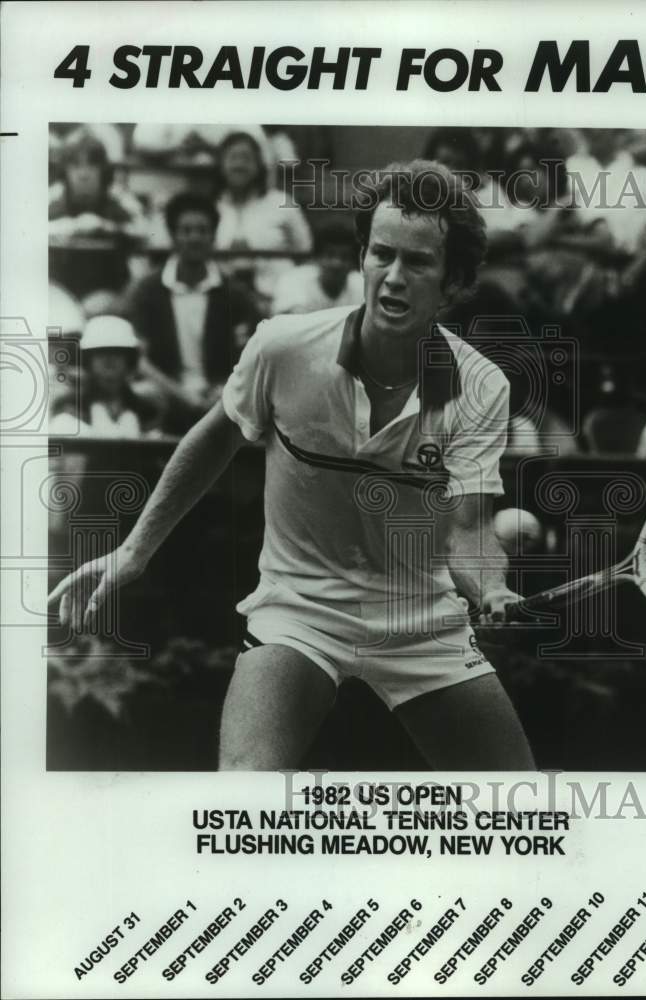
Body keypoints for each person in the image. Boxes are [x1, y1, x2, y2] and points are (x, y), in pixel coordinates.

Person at [49, 159, 536, 772]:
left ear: (454, 281)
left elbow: (467, 525)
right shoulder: (283, 348)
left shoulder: (480, 386)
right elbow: (215, 438)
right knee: (245, 789)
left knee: (516, 804)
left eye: (418, 262)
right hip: (299, 612)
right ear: (360, 255)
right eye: (380, 254)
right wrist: (133, 550)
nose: (392, 277)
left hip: (423, 625)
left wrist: (490, 586)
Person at [122, 192, 260, 433]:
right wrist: (183, 395)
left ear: (213, 236)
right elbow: (140, 361)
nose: (194, 238)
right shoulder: (148, 291)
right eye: (186, 231)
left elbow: (250, 356)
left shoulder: (235, 294)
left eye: (202, 230)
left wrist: (221, 391)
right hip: (166, 395)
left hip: (222, 397)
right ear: (174, 237)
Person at [213, 129, 313, 303]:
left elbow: (305, 250)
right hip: (224, 303)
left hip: (276, 299)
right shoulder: (212, 206)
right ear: (221, 164)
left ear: (259, 164)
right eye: (232, 158)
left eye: (246, 158)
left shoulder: (281, 202)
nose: (239, 165)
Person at [49, 129, 146, 299]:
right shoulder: (53, 196)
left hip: (109, 293)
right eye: (75, 166)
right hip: (59, 293)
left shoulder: (118, 196)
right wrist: (73, 226)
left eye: (91, 165)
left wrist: (105, 226)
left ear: (103, 171)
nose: (83, 174)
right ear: (65, 171)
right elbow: (24, 233)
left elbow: (146, 231)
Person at [48, 315, 161, 438]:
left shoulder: (146, 411)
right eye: (101, 353)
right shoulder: (69, 407)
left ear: (129, 359)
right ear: (88, 359)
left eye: (117, 353)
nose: (109, 360)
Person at [270, 222, 363, 315]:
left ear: (354, 263)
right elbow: (288, 323)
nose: (336, 263)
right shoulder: (293, 280)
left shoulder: (362, 285)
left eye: (344, 257)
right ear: (316, 258)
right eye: (330, 255)